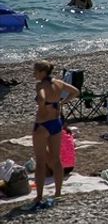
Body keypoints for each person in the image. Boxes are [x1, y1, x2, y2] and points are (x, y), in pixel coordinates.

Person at [29, 61, 78, 210]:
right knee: (56, 160)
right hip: (56, 123)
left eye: (35, 72)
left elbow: (42, 97)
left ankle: (39, 196)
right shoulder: (58, 83)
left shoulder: (40, 86)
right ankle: (57, 193)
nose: (34, 74)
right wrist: (63, 102)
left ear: (42, 72)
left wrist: (42, 105)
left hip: (42, 124)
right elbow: (75, 91)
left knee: (41, 162)